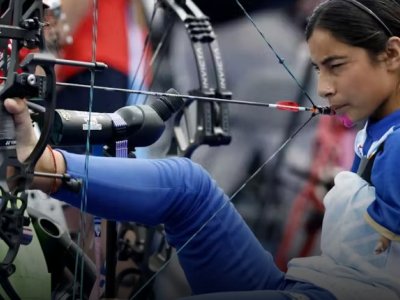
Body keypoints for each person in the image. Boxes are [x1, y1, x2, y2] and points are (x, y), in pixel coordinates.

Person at [6, 0, 400, 299]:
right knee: (188, 184)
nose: (325, 88)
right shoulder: (377, 125)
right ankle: (39, 162)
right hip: (307, 281)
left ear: (392, 55)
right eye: (318, 69)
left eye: (337, 65)